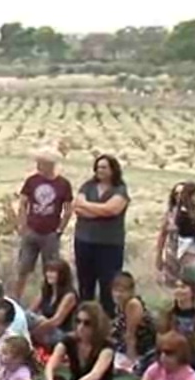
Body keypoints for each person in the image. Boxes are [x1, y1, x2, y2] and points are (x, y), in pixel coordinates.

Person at [73, 154, 130, 318]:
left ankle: (108, 321)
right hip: (84, 241)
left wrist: (90, 208)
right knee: (85, 283)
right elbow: (78, 207)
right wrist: (101, 210)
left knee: (108, 285)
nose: (100, 170)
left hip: (109, 244)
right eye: (98, 167)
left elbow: (113, 209)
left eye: (104, 167)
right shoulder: (87, 186)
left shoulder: (120, 189)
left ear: (113, 169)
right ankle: (85, 319)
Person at [14, 148, 73, 301]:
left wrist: (60, 229)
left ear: (50, 164)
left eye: (41, 163)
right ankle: (15, 300)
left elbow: (67, 209)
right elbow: (22, 203)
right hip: (31, 231)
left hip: (50, 234)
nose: (38, 165)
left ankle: (48, 301)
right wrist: (22, 226)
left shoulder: (63, 184)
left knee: (52, 272)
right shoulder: (32, 181)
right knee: (23, 269)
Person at [110, 272, 157, 372]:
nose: (118, 294)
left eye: (122, 291)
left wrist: (131, 361)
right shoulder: (119, 305)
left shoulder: (133, 304)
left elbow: (130, 335)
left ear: (131, 291)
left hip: (143, 348)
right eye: (115, 290)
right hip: (126, 344)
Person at [26, 259, 78, 349]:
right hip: (44, 329)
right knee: (26, 316)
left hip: (61, 333)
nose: (49, 275)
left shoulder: (69, 295)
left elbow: (56, 321)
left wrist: (34, 331)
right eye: (48, 271)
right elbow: (31, 311)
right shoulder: (46, 291)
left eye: (53, 272)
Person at [155, 182, 185, 288]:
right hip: (171, 254)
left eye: (182, 193)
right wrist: (159, 255)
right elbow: (162, 234)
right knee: (170, 285)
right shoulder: (170, 213)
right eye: (176, 194)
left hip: (188, 256)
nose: (179, 197)